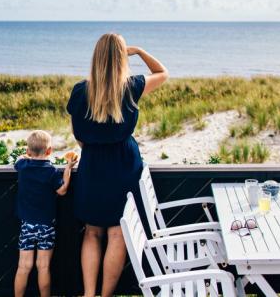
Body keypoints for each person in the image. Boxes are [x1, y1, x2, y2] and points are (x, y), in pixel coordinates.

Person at [67, 33, 168, 297]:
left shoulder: (81, 91)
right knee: (117, 234)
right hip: (123, 165)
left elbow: (78, 135)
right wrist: (140, 51)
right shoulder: (131, 87)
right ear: (121, 58)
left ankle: (89, 294)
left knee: (91, 233)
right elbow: (163, 72)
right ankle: (105, 294)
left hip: (92, 166)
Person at [13, 130, 78, 297]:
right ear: (49, 151)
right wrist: (68, 168)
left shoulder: (23, 167)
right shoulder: (50, 171)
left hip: (27, 224)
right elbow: (62, 190)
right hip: (46, 225)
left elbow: (18, 160)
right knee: (43, 266)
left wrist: (25, 156)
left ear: (28, 151)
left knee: (23, 266)